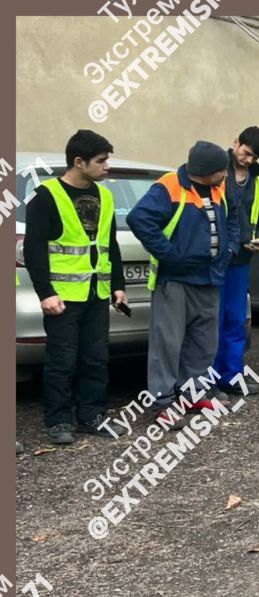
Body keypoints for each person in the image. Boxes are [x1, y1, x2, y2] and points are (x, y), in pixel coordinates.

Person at [23, 129, 126, 444]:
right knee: (62, 361)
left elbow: (110, 244)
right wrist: (46, 293)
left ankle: (92, 416)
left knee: (95, 358)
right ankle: (58, 421)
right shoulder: (46, 197)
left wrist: (118, 286)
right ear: (79, 162)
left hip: (96, 295)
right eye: (101, 161)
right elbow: (34, 250)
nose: (107, 166)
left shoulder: (105, 195)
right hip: (63, 297)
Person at [126, 141, 233, 427]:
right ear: (205, 171)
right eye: (221, 170)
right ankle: (163, 402)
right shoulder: (169, 186)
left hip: (209, 276)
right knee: (167, 343)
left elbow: (230, 219)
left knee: (203, 341)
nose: (225, 174)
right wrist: (170, 255)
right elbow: (139, 219)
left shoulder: (217, 187)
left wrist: (228, 250)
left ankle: (193, 393)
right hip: (176, 278)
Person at [213, 127, 259, 396]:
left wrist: (254, 238)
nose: (248, 160)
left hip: (242, 257)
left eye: (254, 157)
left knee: (236, 320)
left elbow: (255, 215)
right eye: (246, 153)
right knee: (212, 319)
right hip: (214, 256)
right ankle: (209, 380)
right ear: (236, 142)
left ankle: (232, 376)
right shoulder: (214, 168)